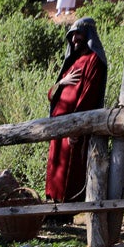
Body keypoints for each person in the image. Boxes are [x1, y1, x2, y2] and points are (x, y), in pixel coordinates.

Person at [45, 17, 107, 204]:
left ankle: (66, 209)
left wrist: (76, 127)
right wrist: (61, 83)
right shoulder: (73, 62)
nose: (74, 39)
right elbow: (51, 95)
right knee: (55, 168)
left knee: (69, 170)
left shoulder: (94, 61)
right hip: (59, 126)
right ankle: (53, 204)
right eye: (72, 36)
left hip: (74, 126)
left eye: (78, 34)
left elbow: (88, 95)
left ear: (88, 34)